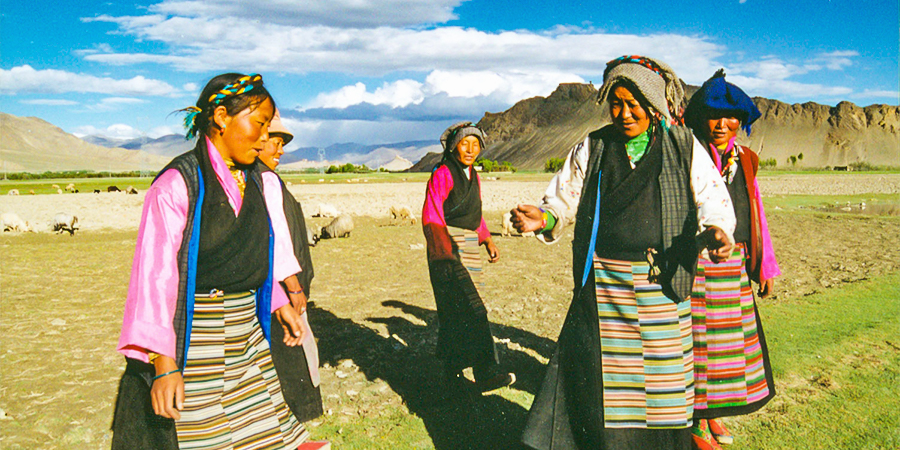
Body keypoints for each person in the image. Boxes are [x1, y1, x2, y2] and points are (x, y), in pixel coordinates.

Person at [512, 56, 737, 450]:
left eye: (633, 105)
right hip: (604, 288)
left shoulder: (683, 146)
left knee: (663, 392)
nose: (624, 113)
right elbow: (565, 199)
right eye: (616, 103)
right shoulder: (594, 145)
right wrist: (544, 218)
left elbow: (711, 197)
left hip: (662, 288)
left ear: (653, 106)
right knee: (601, 392)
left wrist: (717, 228)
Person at [111, 73, 313, 450]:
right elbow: (155, 279)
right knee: (207, 438)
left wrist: (279, 300)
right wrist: (164, 363)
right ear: (221, 117)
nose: (267, 137)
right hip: (196, 335)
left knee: (266, 435)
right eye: (260, 124)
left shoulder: (262, 182)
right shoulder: (176, 184)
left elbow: (268, 246)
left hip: (248, 334)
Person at [682, 70, 779, 450]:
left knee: (725, 345)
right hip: (695, 262)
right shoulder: (687, 153)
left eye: (731, 117)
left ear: (741, 121)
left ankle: (713, 412)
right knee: (696, 342)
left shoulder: (747, 159)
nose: (722, 125)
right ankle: (695, 420)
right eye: (713, 115)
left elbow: (756, 211)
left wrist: (764, 264)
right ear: (699, 118)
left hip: (732, 263)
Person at [421, 121, 515, 393]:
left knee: (455, 312)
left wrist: (487, 240)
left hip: (468, 246)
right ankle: (486, 372)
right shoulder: (443, 173)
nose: (471, 150)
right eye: (465, 144)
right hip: (447, 247)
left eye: (476, 144)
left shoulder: (474, 175)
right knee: (474, 310)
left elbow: (474, 213)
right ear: (453, 147)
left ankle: (452, 376)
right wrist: (443, 254)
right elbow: (432, 214)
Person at [258, 108, 326, 427]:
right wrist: (293, 286)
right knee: (291, 354)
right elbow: (277, 239)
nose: (281, 150)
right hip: (280, 291)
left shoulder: (261, 178)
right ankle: (295, 419)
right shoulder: (264, 180)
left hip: (279, 290)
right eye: (276, 141)